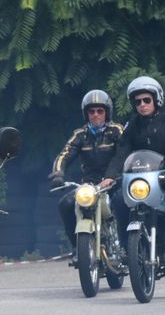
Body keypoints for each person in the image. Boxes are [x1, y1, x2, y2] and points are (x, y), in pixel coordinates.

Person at [101, 75, 165, 257]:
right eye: (137, 101)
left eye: (146, 100)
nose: (142, 105)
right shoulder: (132, 126)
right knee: (118, 199)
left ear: (156, 99)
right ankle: (126, 248)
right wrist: (110, 176)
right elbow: (121, 153)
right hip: (141, 180)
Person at [49, 89, 123, 261]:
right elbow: (65, 154)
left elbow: (122, 154)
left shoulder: (116, 131)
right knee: (65, 204)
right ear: (86, 114)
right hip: (90, 185)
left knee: (122, 203)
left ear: (107, 112)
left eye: (100, 111)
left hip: (115, 182)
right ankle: (77, 247)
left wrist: (111, 176)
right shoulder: (80, 135)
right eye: (91, 111)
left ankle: (128, 245)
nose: (95, 115)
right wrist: (58, 174)